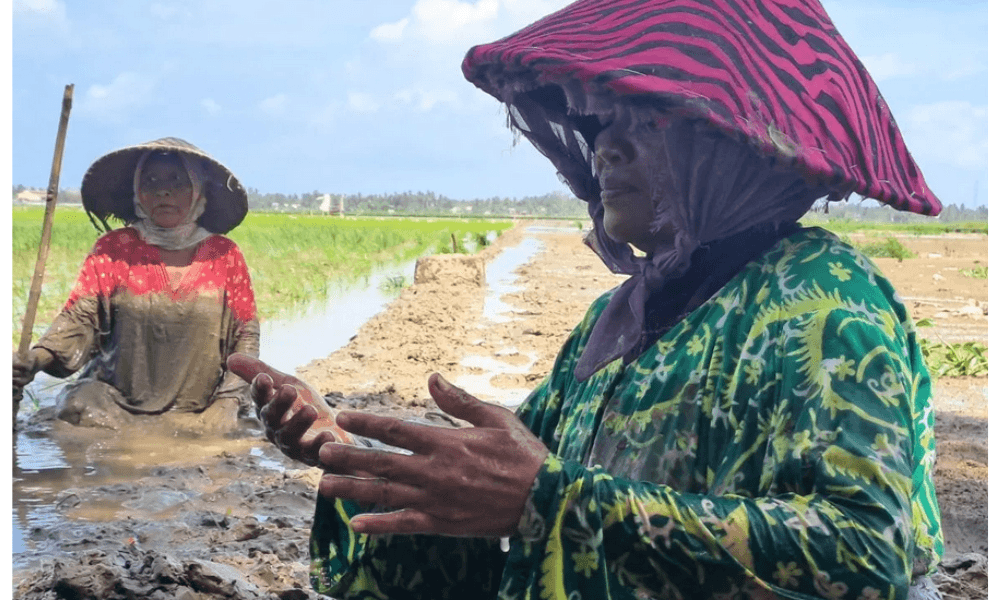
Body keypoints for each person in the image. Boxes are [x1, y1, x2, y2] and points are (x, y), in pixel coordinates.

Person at [230, 0, 944, 598]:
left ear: (732, 141)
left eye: (643, 121)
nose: (605, 149)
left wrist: (556, 503)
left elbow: (863, 556)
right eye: (600, 125)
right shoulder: (620, 320)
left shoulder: (826, 308)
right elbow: (501, 503)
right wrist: (355, 457)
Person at [13, 138, 260, 428]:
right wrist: (34, 360)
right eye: (151, 181)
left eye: (177, 181)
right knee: (80, 406)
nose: (163, 191)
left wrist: (227, 402)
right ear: (138, 193)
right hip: (114, 404)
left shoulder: (223, 254)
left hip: (199, 408)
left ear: (198, 191)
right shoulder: (114, 249)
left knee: (229, 429)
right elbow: (79, 320)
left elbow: (245, 336)